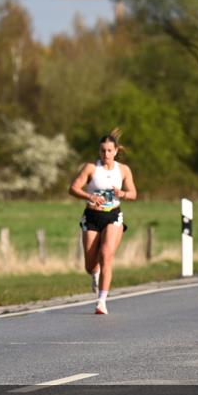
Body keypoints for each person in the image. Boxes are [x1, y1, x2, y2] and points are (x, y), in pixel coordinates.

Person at [68, 130, 137, 315]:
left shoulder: (123, 170)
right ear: (99, 152)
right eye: (102, 151)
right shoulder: (91, 168)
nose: (105, 154)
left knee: (106, 255)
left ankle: (101, 302)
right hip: (91, 216)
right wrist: (90, 196)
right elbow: (73, 188)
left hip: (113, 215)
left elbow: (133, 194)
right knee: (90, 264)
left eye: (109, 150)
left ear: (115, 151)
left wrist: (121, 194)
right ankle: (95, 274)